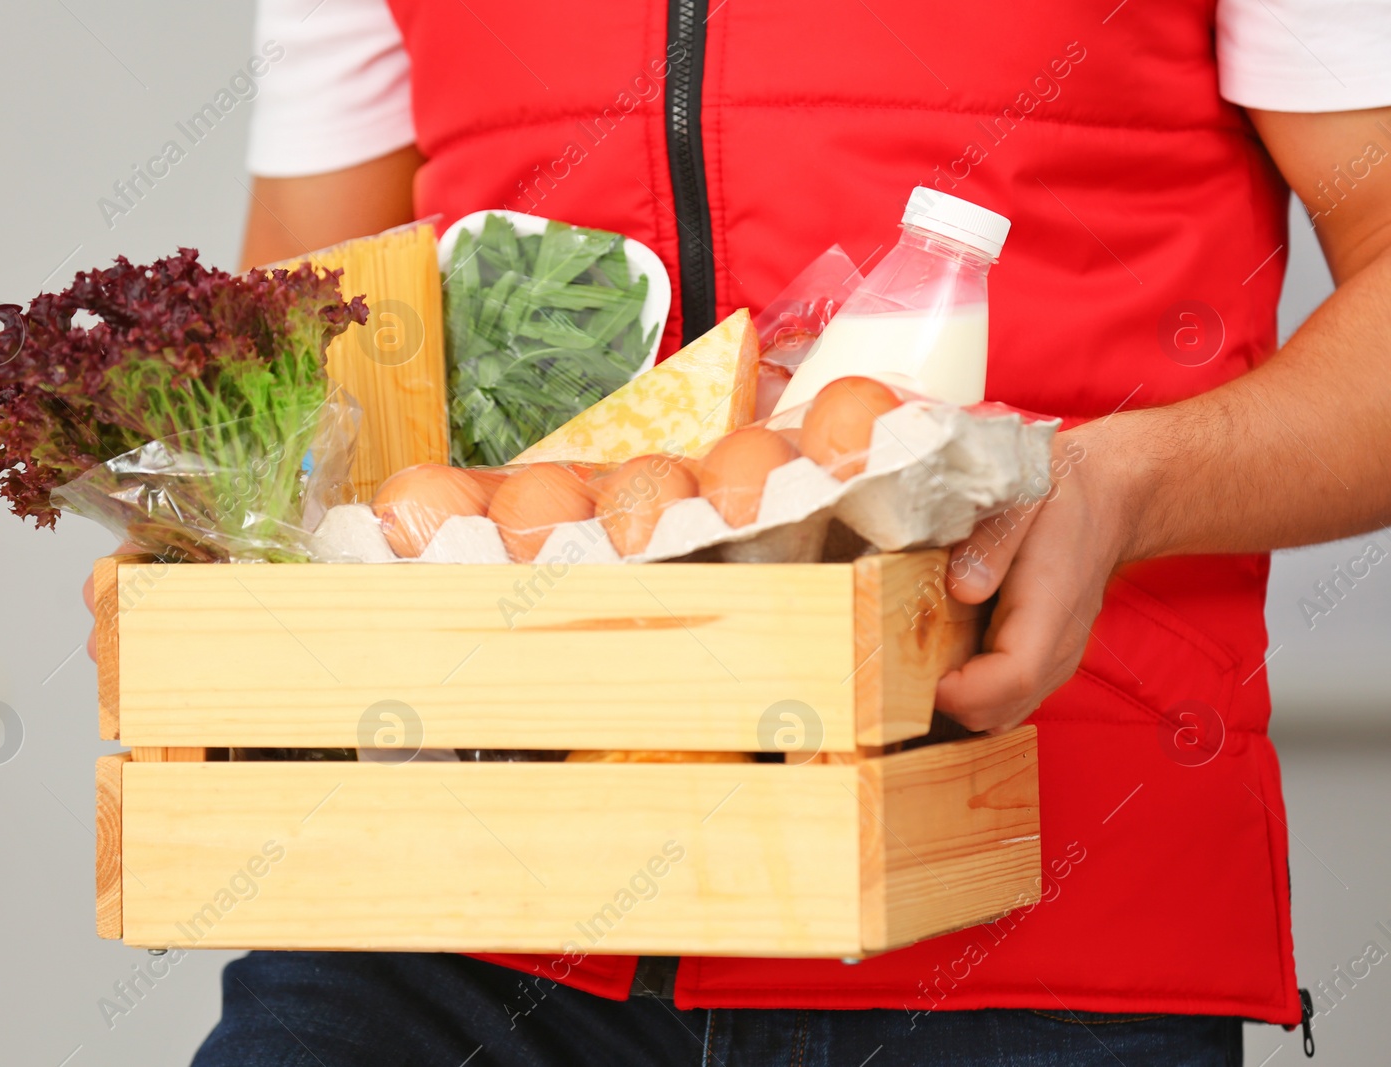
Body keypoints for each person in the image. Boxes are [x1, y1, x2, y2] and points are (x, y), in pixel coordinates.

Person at [89, 0, 1391, 1062]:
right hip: (444, 911)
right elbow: (313, 326)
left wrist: (1125, 484)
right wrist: (222, 562)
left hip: (1030, 915)